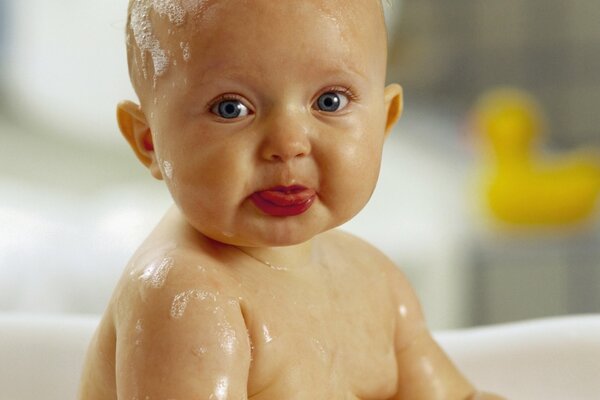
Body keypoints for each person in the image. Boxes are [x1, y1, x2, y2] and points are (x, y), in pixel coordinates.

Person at [80, 0, 502, 398]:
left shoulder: (374, 279)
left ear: (384, 120)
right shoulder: (187, 300)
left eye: (329, 101)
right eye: (231, 108)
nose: (288, 143)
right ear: (150, 141)